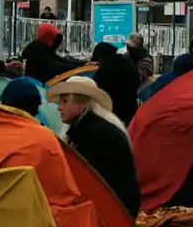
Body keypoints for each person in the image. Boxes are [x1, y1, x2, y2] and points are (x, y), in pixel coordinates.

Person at [48, 77, 141, 218]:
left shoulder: (94, 134)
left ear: (82, 104)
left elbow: (87, 181)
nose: (59, 107)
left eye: (65, 101)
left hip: (111, 211)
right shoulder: (93, 127)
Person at [92, 42, 140, 125]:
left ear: (101, 57)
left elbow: (97, 94)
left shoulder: (103, 72)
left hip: (110, 117)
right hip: (130, 115)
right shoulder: (129, 66)